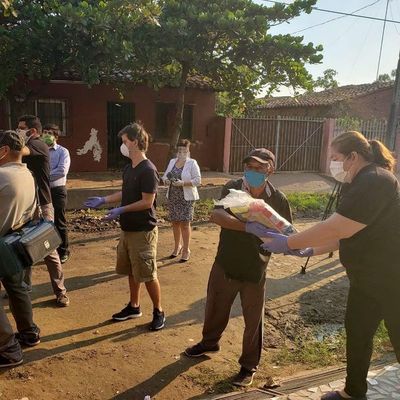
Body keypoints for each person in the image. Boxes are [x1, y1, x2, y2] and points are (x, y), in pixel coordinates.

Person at [258, 131, 400, 400]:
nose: (333, 164)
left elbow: (337, 226)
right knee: (358, 333)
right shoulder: (358, 181)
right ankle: (353, 391)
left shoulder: (375, 180)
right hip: (366, 278)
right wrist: (310, 248)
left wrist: (289, 242)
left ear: (352, 157)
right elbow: (347, 233)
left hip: (392, 279)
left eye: (335, 158)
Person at [184, 148, 292, 387]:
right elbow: (217, 215)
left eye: (259, 168)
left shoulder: (278, 199)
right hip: (226, 262)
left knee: (253, 321)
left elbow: (286, 233)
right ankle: (209, 342)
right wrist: (249, 227)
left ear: (270, 170)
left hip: (256, 268)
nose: (252, 172)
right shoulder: (233, 188)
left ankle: (248, 365)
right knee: (215, 307)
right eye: (249, 167)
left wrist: (294, 245)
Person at [84, 122, 165, 331]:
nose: (123, 145)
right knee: (131, 270)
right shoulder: (130, 168)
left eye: (125, 141)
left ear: (135, 142)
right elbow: (126, 192)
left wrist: (121, 210)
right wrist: (104, 199)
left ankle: (158, 311)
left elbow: (147, 201)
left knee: (147, 274)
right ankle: (134, 306)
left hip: (143, 231)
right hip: (128, 229)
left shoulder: (148, 170)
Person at [18, 115, 70, 307]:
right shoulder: (31, 145)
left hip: (42, 205)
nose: (18, 131)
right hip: (25, 206)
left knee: (49, 249)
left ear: (32, 131)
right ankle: (24, 286)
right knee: (23, 246)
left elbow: (18, 150)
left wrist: (10, 141)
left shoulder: (38, 145)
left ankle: (61, 292)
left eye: (21, 128)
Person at [0, 130, 41, 367]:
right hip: (18, 243)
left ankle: (7, 349)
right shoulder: (28, 174)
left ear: (4, 151)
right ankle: (28, 332)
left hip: (3, 242)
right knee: (18, 289)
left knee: (16, 290)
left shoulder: (2, 175)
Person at [162, 140, 201, 262]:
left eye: (184, 150)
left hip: (186, 198)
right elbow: (165, 175)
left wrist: (183, 183)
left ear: (188, 151)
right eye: (179, 150)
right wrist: (166, 180)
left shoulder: (192, 163)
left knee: (185, 223)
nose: (181, 153)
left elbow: (198, 181)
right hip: (173, 196)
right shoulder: (172, 161)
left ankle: (186, 249)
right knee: (175, 222)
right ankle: (177, 246)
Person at [42, 124, 71, 263]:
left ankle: (63, 251)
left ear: (56, 136)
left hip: (58, 190)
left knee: (60, 221)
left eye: (49, 133)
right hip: (43, 191)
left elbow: (62, 171)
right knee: (44, 222)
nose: (46, 135)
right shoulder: (40, 151)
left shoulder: (63, 152)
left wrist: (43, 176)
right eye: (44, 132)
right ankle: (48, 250)